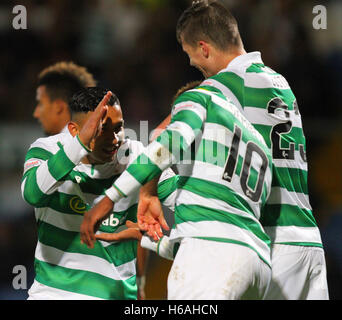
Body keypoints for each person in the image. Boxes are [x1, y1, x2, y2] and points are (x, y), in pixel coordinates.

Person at [147, 0, 328, 299]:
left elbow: (163, 136)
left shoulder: (221, 87)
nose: (196, 68)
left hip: (270, 241)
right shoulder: (280, 82)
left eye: (192, 58)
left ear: (204, 48)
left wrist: (149, 189)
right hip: (309, 241)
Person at [80, 79, 274, 299]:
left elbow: (165, 141)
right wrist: (148, 239)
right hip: (258, 264)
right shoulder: (258, 147)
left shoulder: (200, 101)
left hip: (216, 258)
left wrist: (111, 198)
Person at [21, 87, 159, 299]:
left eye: (119, 127)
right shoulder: (47, 150)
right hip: (52, 294)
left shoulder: (136, 156)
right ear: (76, 131)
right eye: (102, 129)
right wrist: (80, 146)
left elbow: (184, 197)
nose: (115, 139)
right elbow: (32, 194)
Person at [33, 61, 96, 135]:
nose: (36, 114)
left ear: (58, 106)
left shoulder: (53, 145)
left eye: (40, 104)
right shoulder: (93, 140)